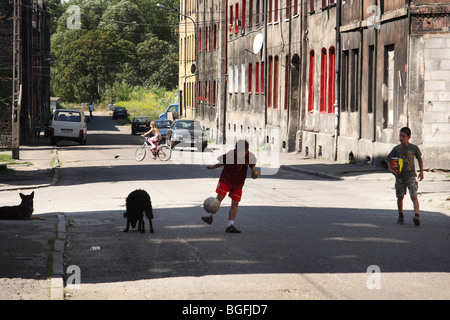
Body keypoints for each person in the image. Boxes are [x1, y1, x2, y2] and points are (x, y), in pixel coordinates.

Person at [202, 139, 258, 233]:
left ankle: (230, 225)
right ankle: (211, 217)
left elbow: (252, 168)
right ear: (235, 149)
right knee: (219, 199)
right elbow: (221, 163)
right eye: (238, 151)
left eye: (242, 152)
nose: (240, 154)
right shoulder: (231, 154)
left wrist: (254, 173)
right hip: (226, 179)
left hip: (238, 183)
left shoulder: (250, 157)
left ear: (247, 151)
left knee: (235, 203)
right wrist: (212, 167)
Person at [386, 127, 424, 226]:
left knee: (414, 196)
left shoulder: (414, 148)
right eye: (400, 136)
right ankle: (400, 214)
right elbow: (388, 159)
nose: (401, 138)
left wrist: (422, 171)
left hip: (411, 176)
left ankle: (416, 215)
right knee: (400, 197)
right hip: (399, 177)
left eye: (403, 136)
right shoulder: (396, 149)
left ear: (409, 137)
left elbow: (419, 158)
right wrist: (391, 169)